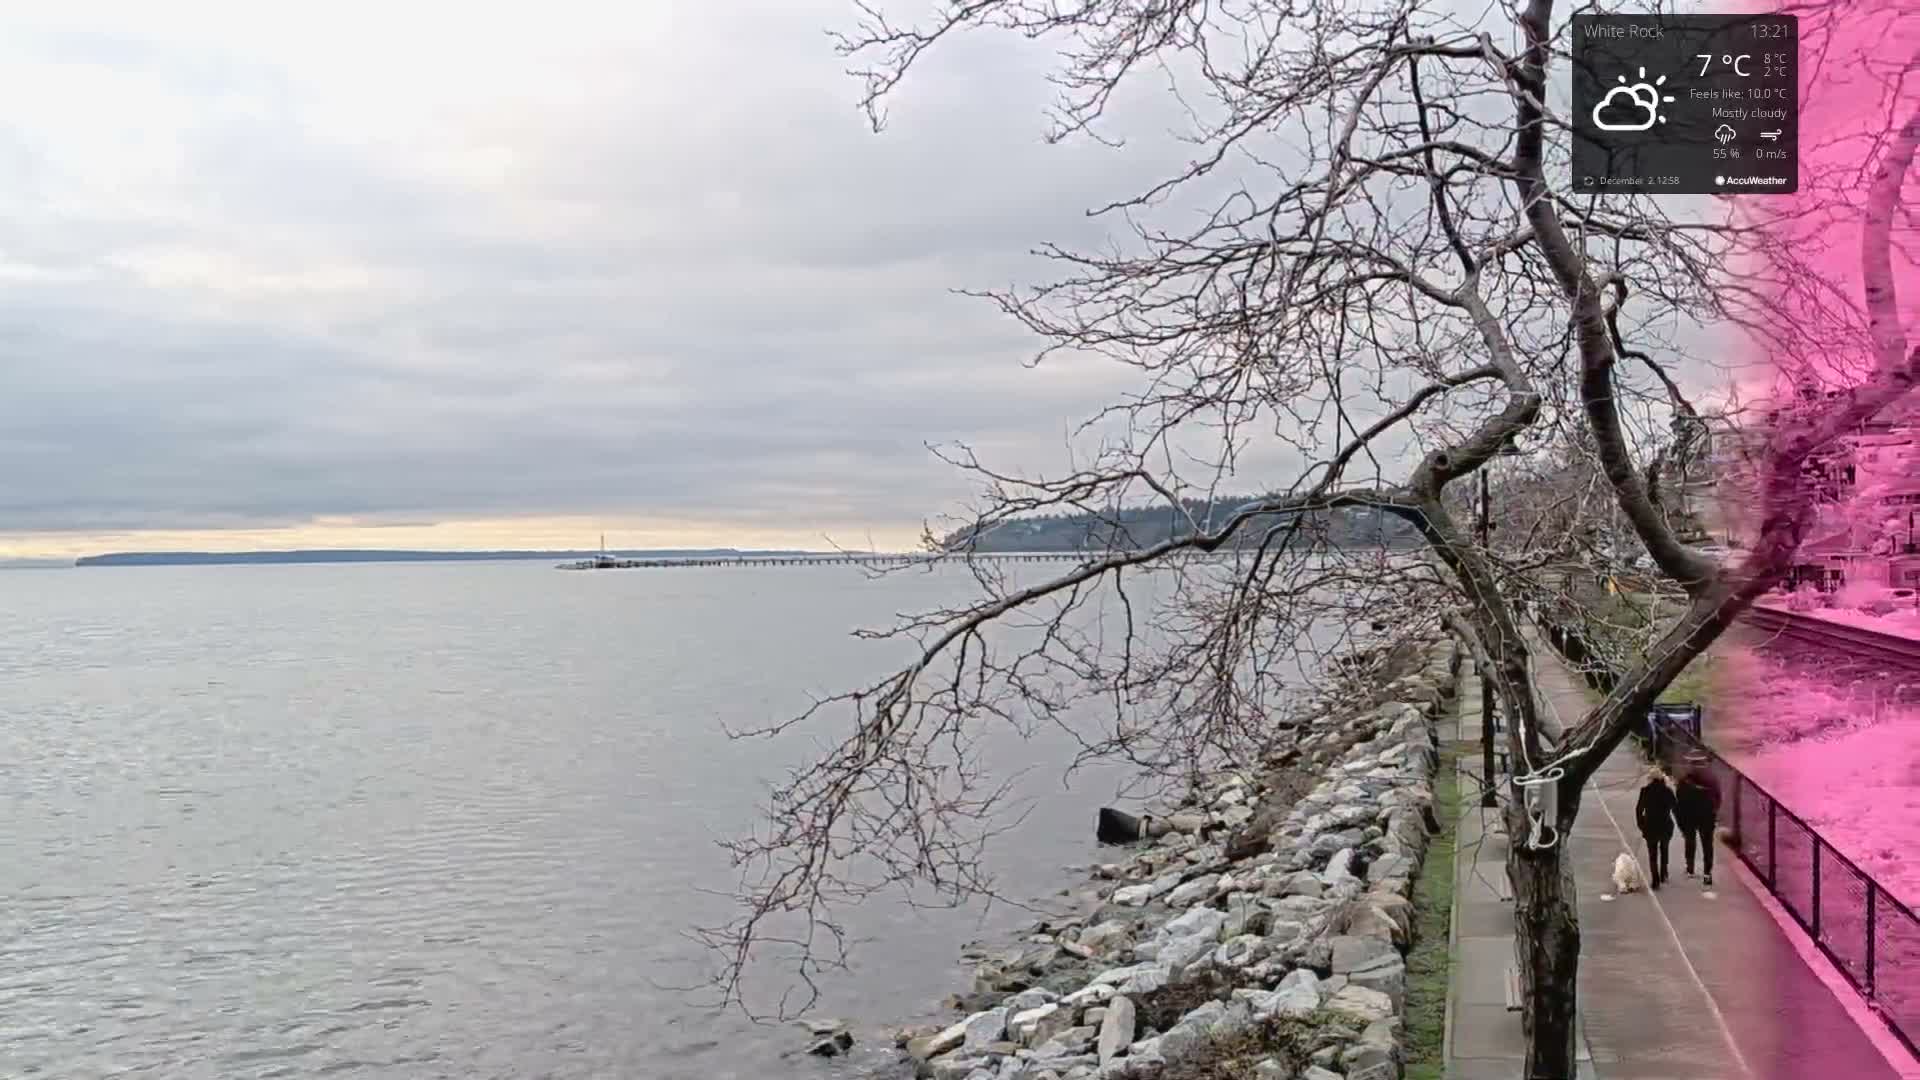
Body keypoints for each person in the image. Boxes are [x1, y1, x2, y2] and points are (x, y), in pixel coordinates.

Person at [1675, 754, 1722, 887]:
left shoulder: (1684, 781)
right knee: (1707, 845)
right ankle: (1707, 873)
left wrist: (1681, 820)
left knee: (1690, 841)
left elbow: (1679, 801)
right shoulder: (1711, 780)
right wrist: (1714, 811)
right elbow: (1718, 797)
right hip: (1707, 817)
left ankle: (1690, 868)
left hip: (1689, 817)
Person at [1635, 766, 1676, 889]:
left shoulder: (1645, 791)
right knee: (1664, 849)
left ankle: (1655, 879)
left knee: (1652, 854)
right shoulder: (1667, 791)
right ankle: (1664, 872)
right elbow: (1674, 805)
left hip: (1650, 826)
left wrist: (1641, 824)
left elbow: (1639, 810)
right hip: (1665, 825)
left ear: (1651, 779)